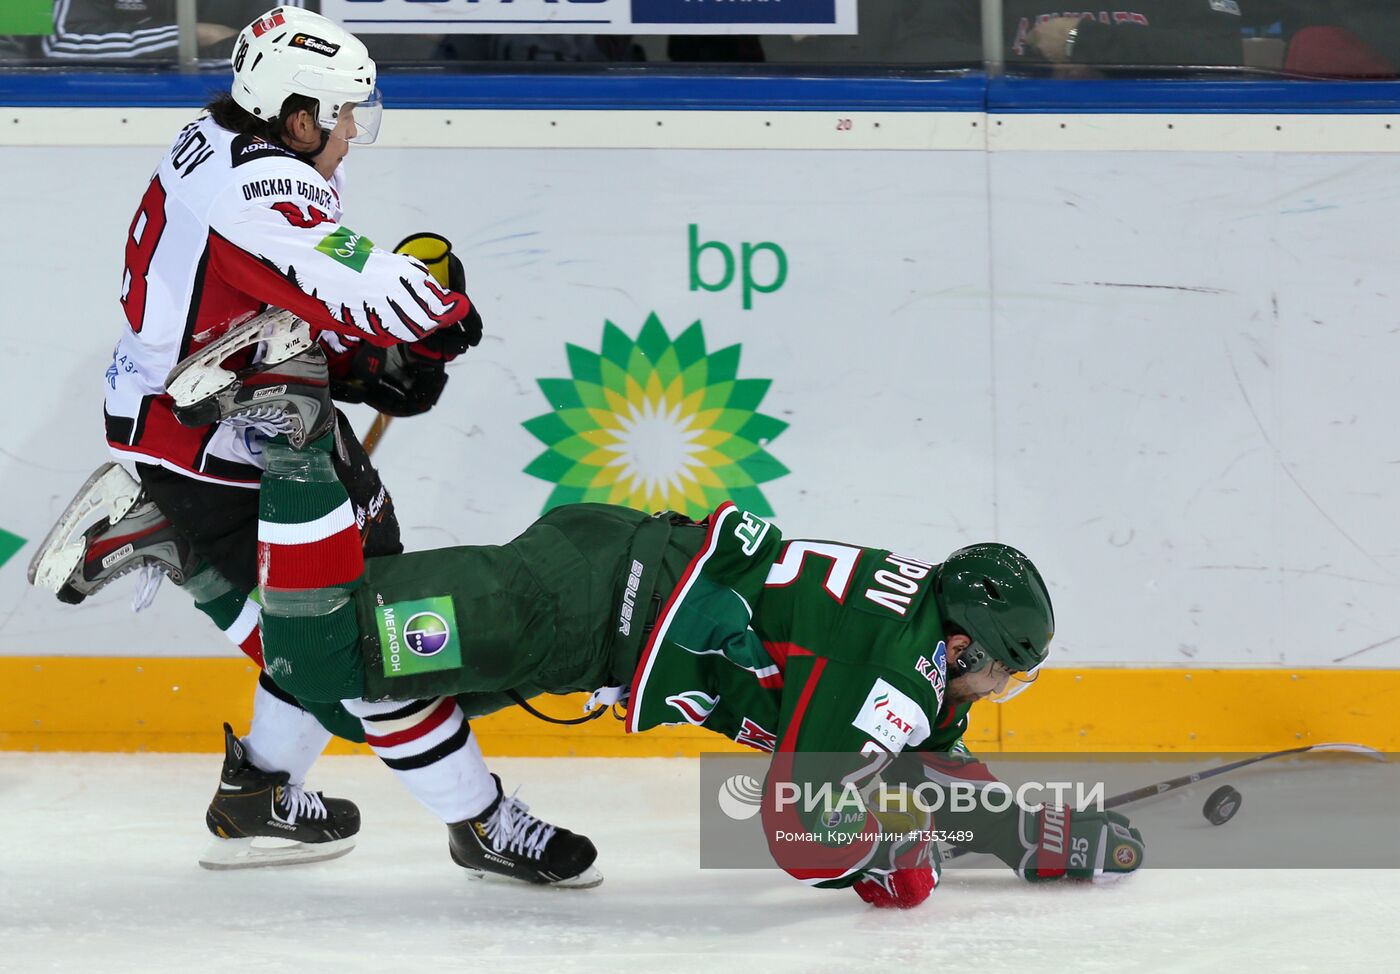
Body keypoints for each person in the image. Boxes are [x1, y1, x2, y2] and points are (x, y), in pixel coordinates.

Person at [103, 310, 1145, 903]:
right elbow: (798, 828)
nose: (1010, 685)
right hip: (577, 604)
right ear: (963, 641)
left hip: (593, 615)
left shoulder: (911, 632)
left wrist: (1035, 836)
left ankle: (176, 545)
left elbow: (912, 761)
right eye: (1012, 664)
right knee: (333, 655)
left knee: (358, 703)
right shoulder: (898, 670)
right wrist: (883, 847)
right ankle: (288, 417)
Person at [28, 6, 482, 870]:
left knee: (340, 609)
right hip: (218, 436)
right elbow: (367, 278)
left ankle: (256, 788)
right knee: (353, 621)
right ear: (299, 118)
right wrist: (438, 324)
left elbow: (271, 284)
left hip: (200, 412)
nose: (353, 132)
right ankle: (468, 814)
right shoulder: (265, 185)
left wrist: (358, 368)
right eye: (344, 114)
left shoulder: (216, 139)